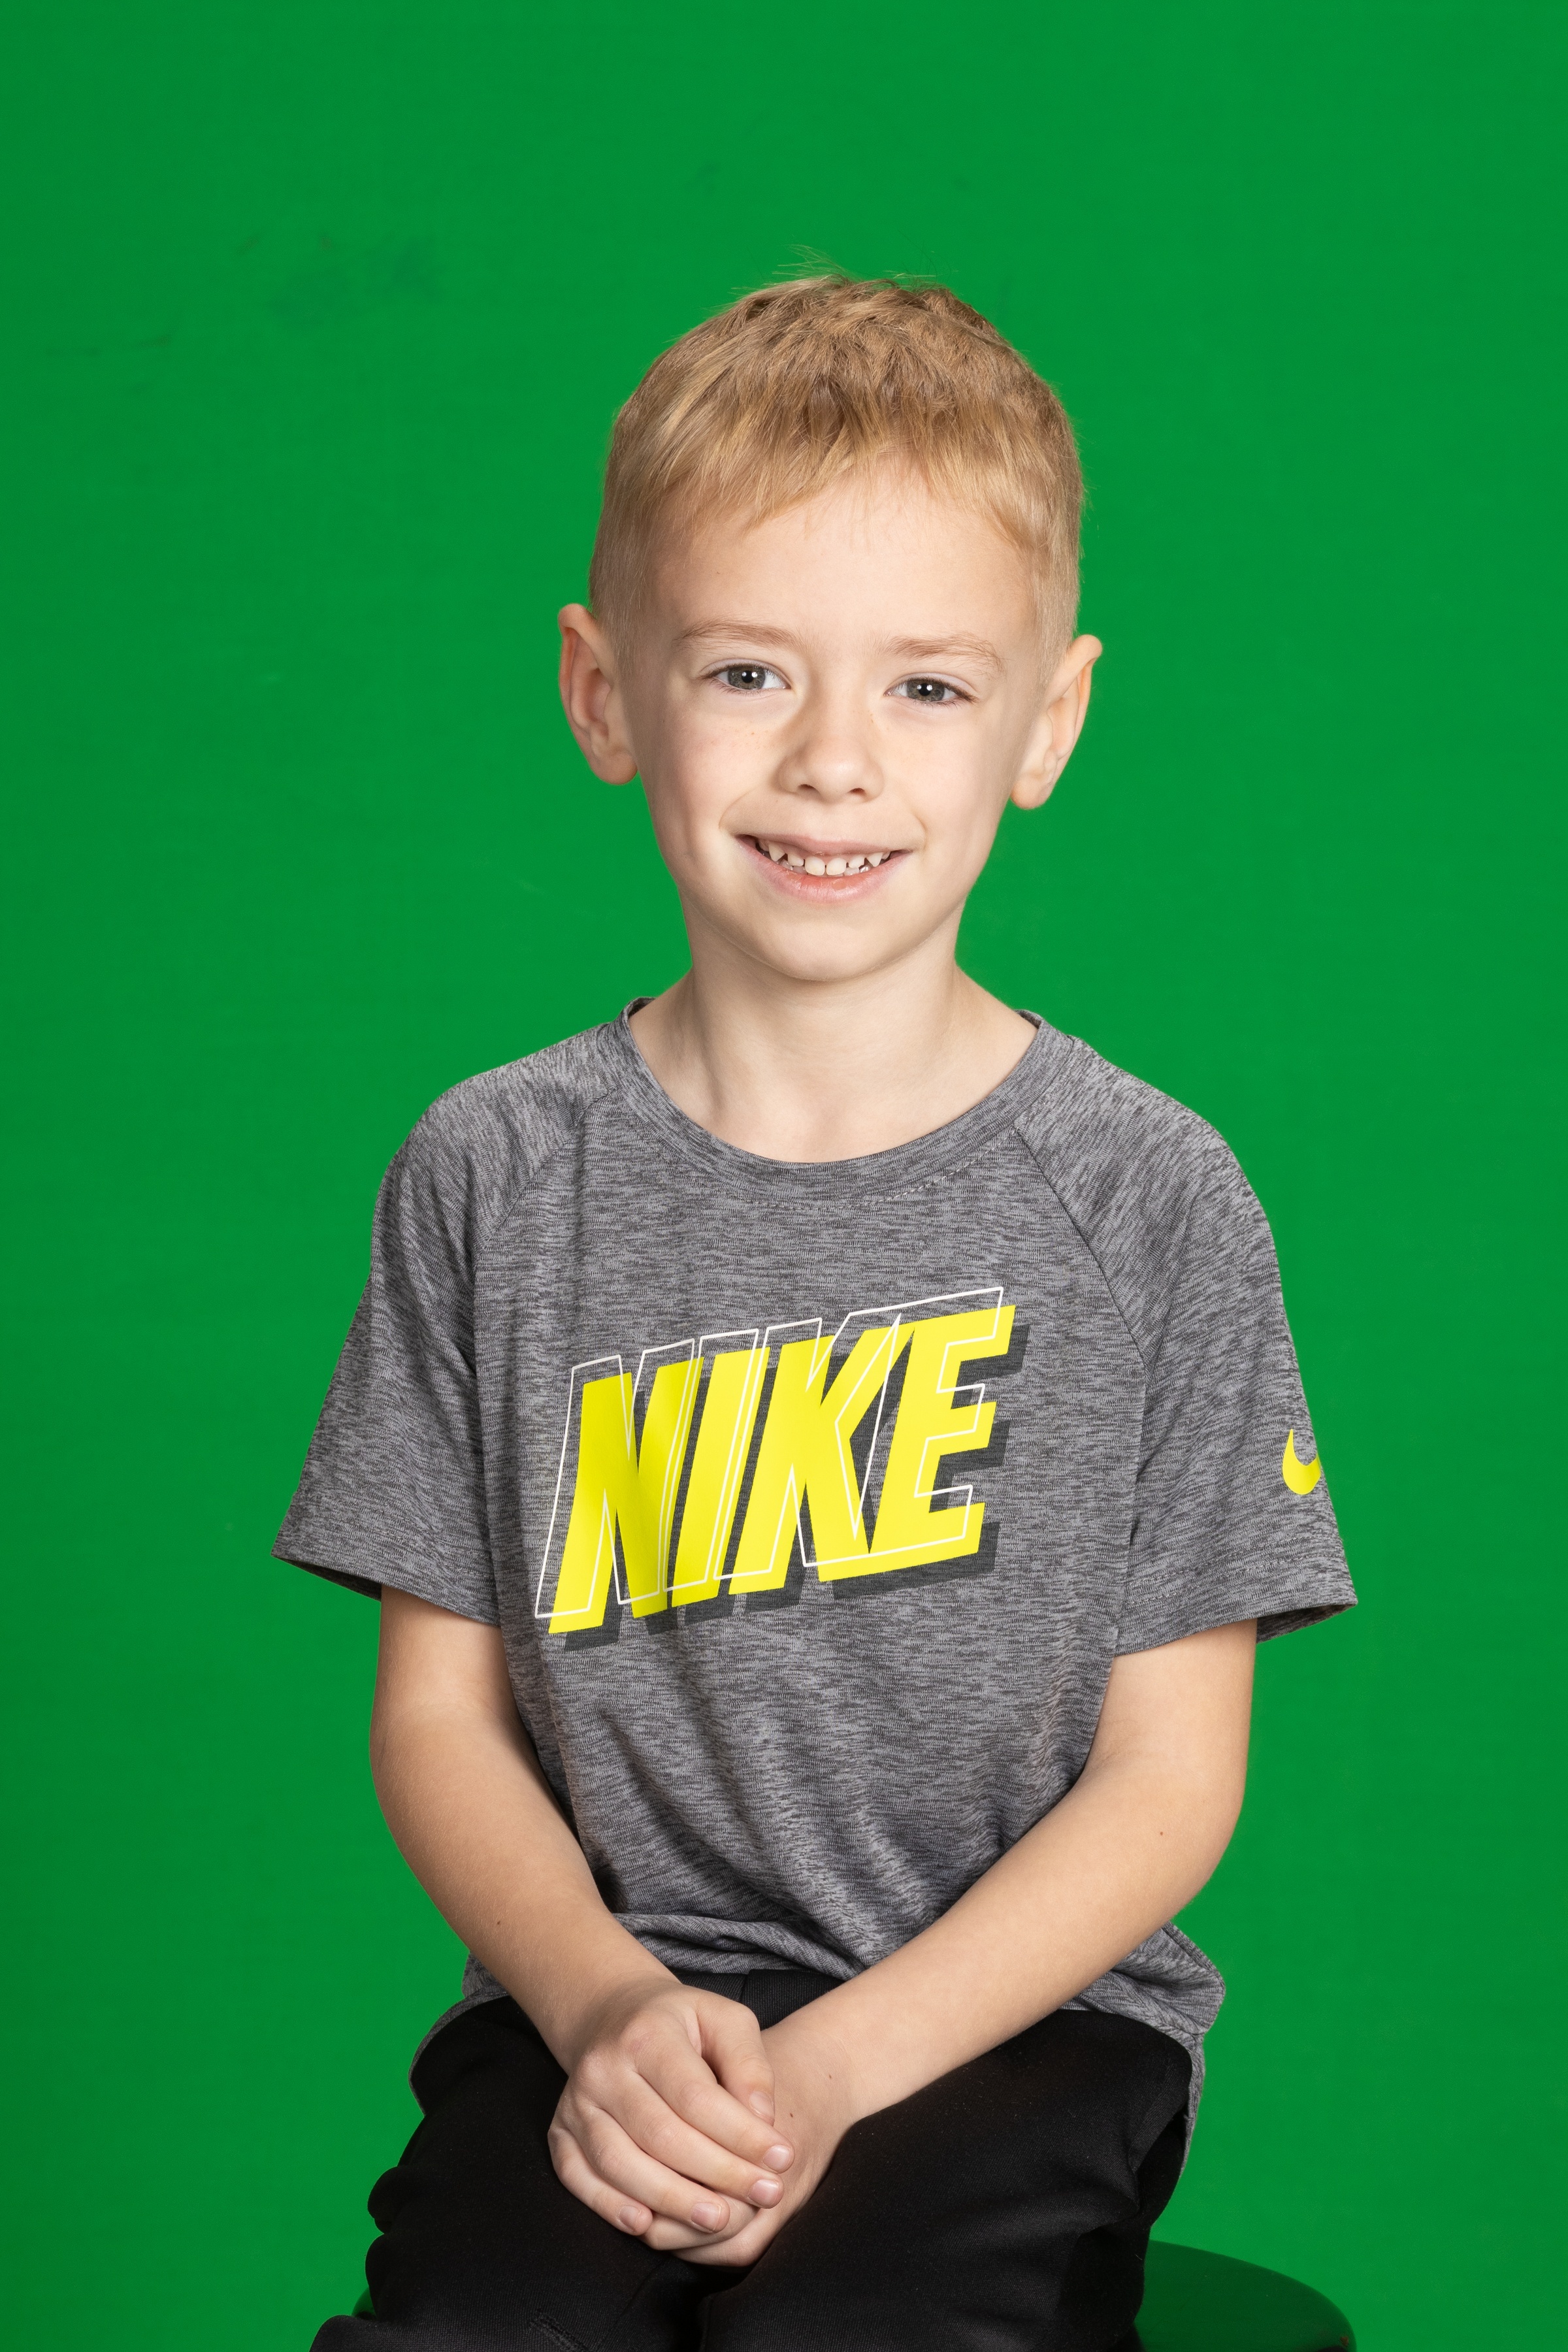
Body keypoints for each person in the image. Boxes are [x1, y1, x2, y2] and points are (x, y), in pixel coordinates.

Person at [279, 276, 1354, 2352]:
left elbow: (1169, 1781)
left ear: (1050, 724)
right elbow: (437, 1720)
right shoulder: (493, 1173)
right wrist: (605, 2006)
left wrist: (841, 2067)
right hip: (611, 2004)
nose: (834, 760)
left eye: (929, 687)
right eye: (750, 671)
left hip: (1014, 2029)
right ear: (605, 693)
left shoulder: (1151, 1198)